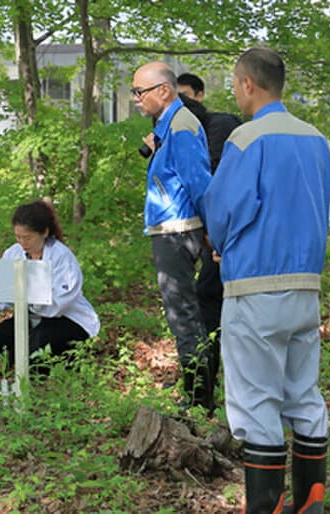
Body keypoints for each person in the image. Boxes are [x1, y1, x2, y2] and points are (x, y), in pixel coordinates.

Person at [203, 48, 330, 514]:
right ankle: (310, 506)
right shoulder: (316, 139)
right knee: (304, 395)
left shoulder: (246, 139)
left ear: (247, 85)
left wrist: (220, 243)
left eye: (235, 84)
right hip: (305, 288)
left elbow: (223, 210)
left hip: (255, 289)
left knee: (257, 404)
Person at [132, 62, 214, 411]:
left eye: (140, 92)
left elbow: (199, 182)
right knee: (187, 315)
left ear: (164, 91)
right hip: (170, 228)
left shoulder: (180, 126)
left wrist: (213, 230)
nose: (136, 99)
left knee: (183, 316)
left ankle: (199, 401)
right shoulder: (169, 125)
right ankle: (199, 393)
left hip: (178, 231)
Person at [177, 72, 243, 396]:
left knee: (210, 296)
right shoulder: (188, 130)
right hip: (211, 232)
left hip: (230, 231)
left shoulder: (219, 126)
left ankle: (204, 388)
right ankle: (202, 385)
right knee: (206, 298)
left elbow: (213, 180)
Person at [0, 201, 99, 370]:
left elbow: (63, 300)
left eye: (28, 237)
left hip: (66, 319)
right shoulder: (13, 253)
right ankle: (27, 363)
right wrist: (3, 292)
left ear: (44, 232)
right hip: (31, 318)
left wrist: (31, 297)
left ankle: (65, 360)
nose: (22, 242)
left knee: (39, 345)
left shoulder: (61, 255)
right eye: (18, 237)